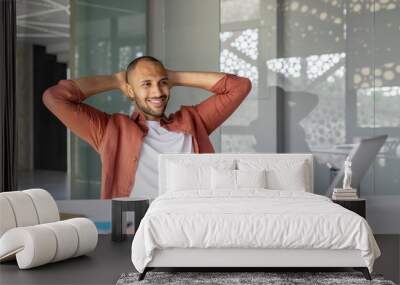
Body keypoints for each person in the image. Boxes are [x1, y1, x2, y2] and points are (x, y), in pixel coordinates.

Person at [43, 56, 252, 199]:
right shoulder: (111, 130)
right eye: (146, 84)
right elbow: (55, 98)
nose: (158, 91)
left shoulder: (193, 121)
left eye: (162, 83)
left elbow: (239, 86)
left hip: (191, 224)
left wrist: (174, 77)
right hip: (135, 231)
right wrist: (116, 80)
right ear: (130, 91)